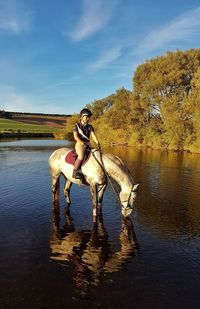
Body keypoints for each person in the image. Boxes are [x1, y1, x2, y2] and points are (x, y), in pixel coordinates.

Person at [73, 108, 100, 179]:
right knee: (81, 156)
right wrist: (82, 143)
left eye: (89, 117)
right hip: (79, 144)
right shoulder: (77, 125)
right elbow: (75, 137)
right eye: (86, 117)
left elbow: (93, 136)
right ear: (82, 117)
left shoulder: (90, 127)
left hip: (88, 144)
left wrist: (97, 143)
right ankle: (75, 172)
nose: (88, 118)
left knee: (95, 155)